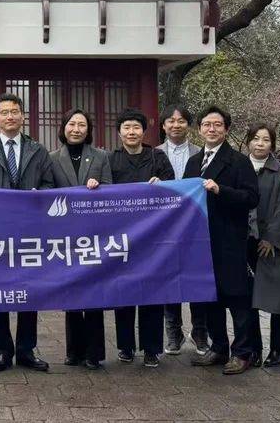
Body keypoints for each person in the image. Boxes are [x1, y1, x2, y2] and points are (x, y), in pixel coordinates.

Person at [0, 94, 54, 373]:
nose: (10, 117)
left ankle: (26, 350)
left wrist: (39, 194)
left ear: (23, 116)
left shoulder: (38, 150)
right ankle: (3, 350)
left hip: (30, 232)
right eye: (4, 112)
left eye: (15, 111)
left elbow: (49, 185)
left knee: (29, 291)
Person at [186, 105, 260, 376]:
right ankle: (218, 348)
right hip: (201, 241)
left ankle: (242, 352)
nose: (212, 129)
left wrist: (221, 190)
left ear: (226, 129)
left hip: (230, 240)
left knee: (237, 298)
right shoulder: (194, 162)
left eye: (217, 124)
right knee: (211, 297)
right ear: (199, 129)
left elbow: (252, 198)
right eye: (207, 124)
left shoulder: (239, 161)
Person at [108, 108, 174, 368]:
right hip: (121, 236)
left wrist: (162, 186)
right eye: (126, 127)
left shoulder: (158, 157)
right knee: (123, 291)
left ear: (144, 131)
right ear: (119, 132)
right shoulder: (111, 159)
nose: (131, 132)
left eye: (136, 127)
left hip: (152, 236)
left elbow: (174, 191)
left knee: (151, 292)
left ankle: (151, 349)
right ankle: (125, 347)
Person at [50, 109, 111, 369]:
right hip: (65, 234)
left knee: (95, 293)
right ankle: (73, 351)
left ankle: (94, 353)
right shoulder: (52, 158)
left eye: (82, 125)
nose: (76, 129)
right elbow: (47, 191)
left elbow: (111, 189)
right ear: (63, 128)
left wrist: (99, 187)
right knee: (72, 292)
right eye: (72, 124)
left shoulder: (101, 156)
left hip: (94, 234)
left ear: (89, 130)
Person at [158, 103, 209, 355]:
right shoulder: (153, 154)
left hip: (196, 224)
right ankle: (173, 332)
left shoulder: (202, 153)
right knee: (168, 279)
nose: (176, 125)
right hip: (164, 227)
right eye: (171, 121)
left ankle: (200, 331)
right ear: (163, 125)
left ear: (189, 125)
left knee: (197, 278)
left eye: (181, 121)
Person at [245, 123, 280, 368]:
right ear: (248, 142)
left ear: (272, 144)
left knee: (278, 298)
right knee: (247, 298)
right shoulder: (240, 167)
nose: (260, 144)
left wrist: (271, 238)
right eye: (256, 138)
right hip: (245, 241)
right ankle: (252, 348)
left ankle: (279, 349)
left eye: (266, 140)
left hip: (272, 243)